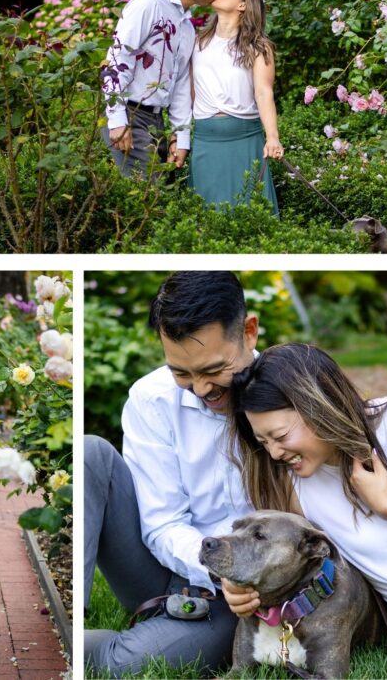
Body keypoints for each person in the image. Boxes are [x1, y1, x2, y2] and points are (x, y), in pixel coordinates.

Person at [84, 271, 257, 676]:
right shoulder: (152, 398)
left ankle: (112, 645)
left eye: (214, 369)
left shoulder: (285, 393)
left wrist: (237, 578)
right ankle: (74, 613)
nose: (200, 389)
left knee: (123, 666)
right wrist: (213, 569)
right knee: (91, 452)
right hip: (164, 568)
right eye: (182, 373)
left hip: (241, 592)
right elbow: (161, 523)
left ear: (249, 332)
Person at [227, 343, 387, 664]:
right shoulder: (295, 491)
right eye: (263, 442)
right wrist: (238, 586)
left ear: (318, 404)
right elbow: (282, 566)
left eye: (281, 435)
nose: (274, 453)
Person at [104, 0, 224, 178]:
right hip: (130, 113)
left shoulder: (187, 28)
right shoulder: (149, 5)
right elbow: (118, 59)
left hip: (155, 121)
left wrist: (181, 138)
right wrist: (117, 119)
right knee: (147, 196)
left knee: (158, 195)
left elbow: (179, 86)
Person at [189, 0, 284, 211]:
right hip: (205, 139)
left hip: (244, 140)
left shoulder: (258, 47)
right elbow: (188, 92)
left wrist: (272, 137)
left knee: (249, 213)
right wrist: (178, 135)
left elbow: (263, 93)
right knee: (205, 217)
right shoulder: (196, 42)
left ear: (243, 5)